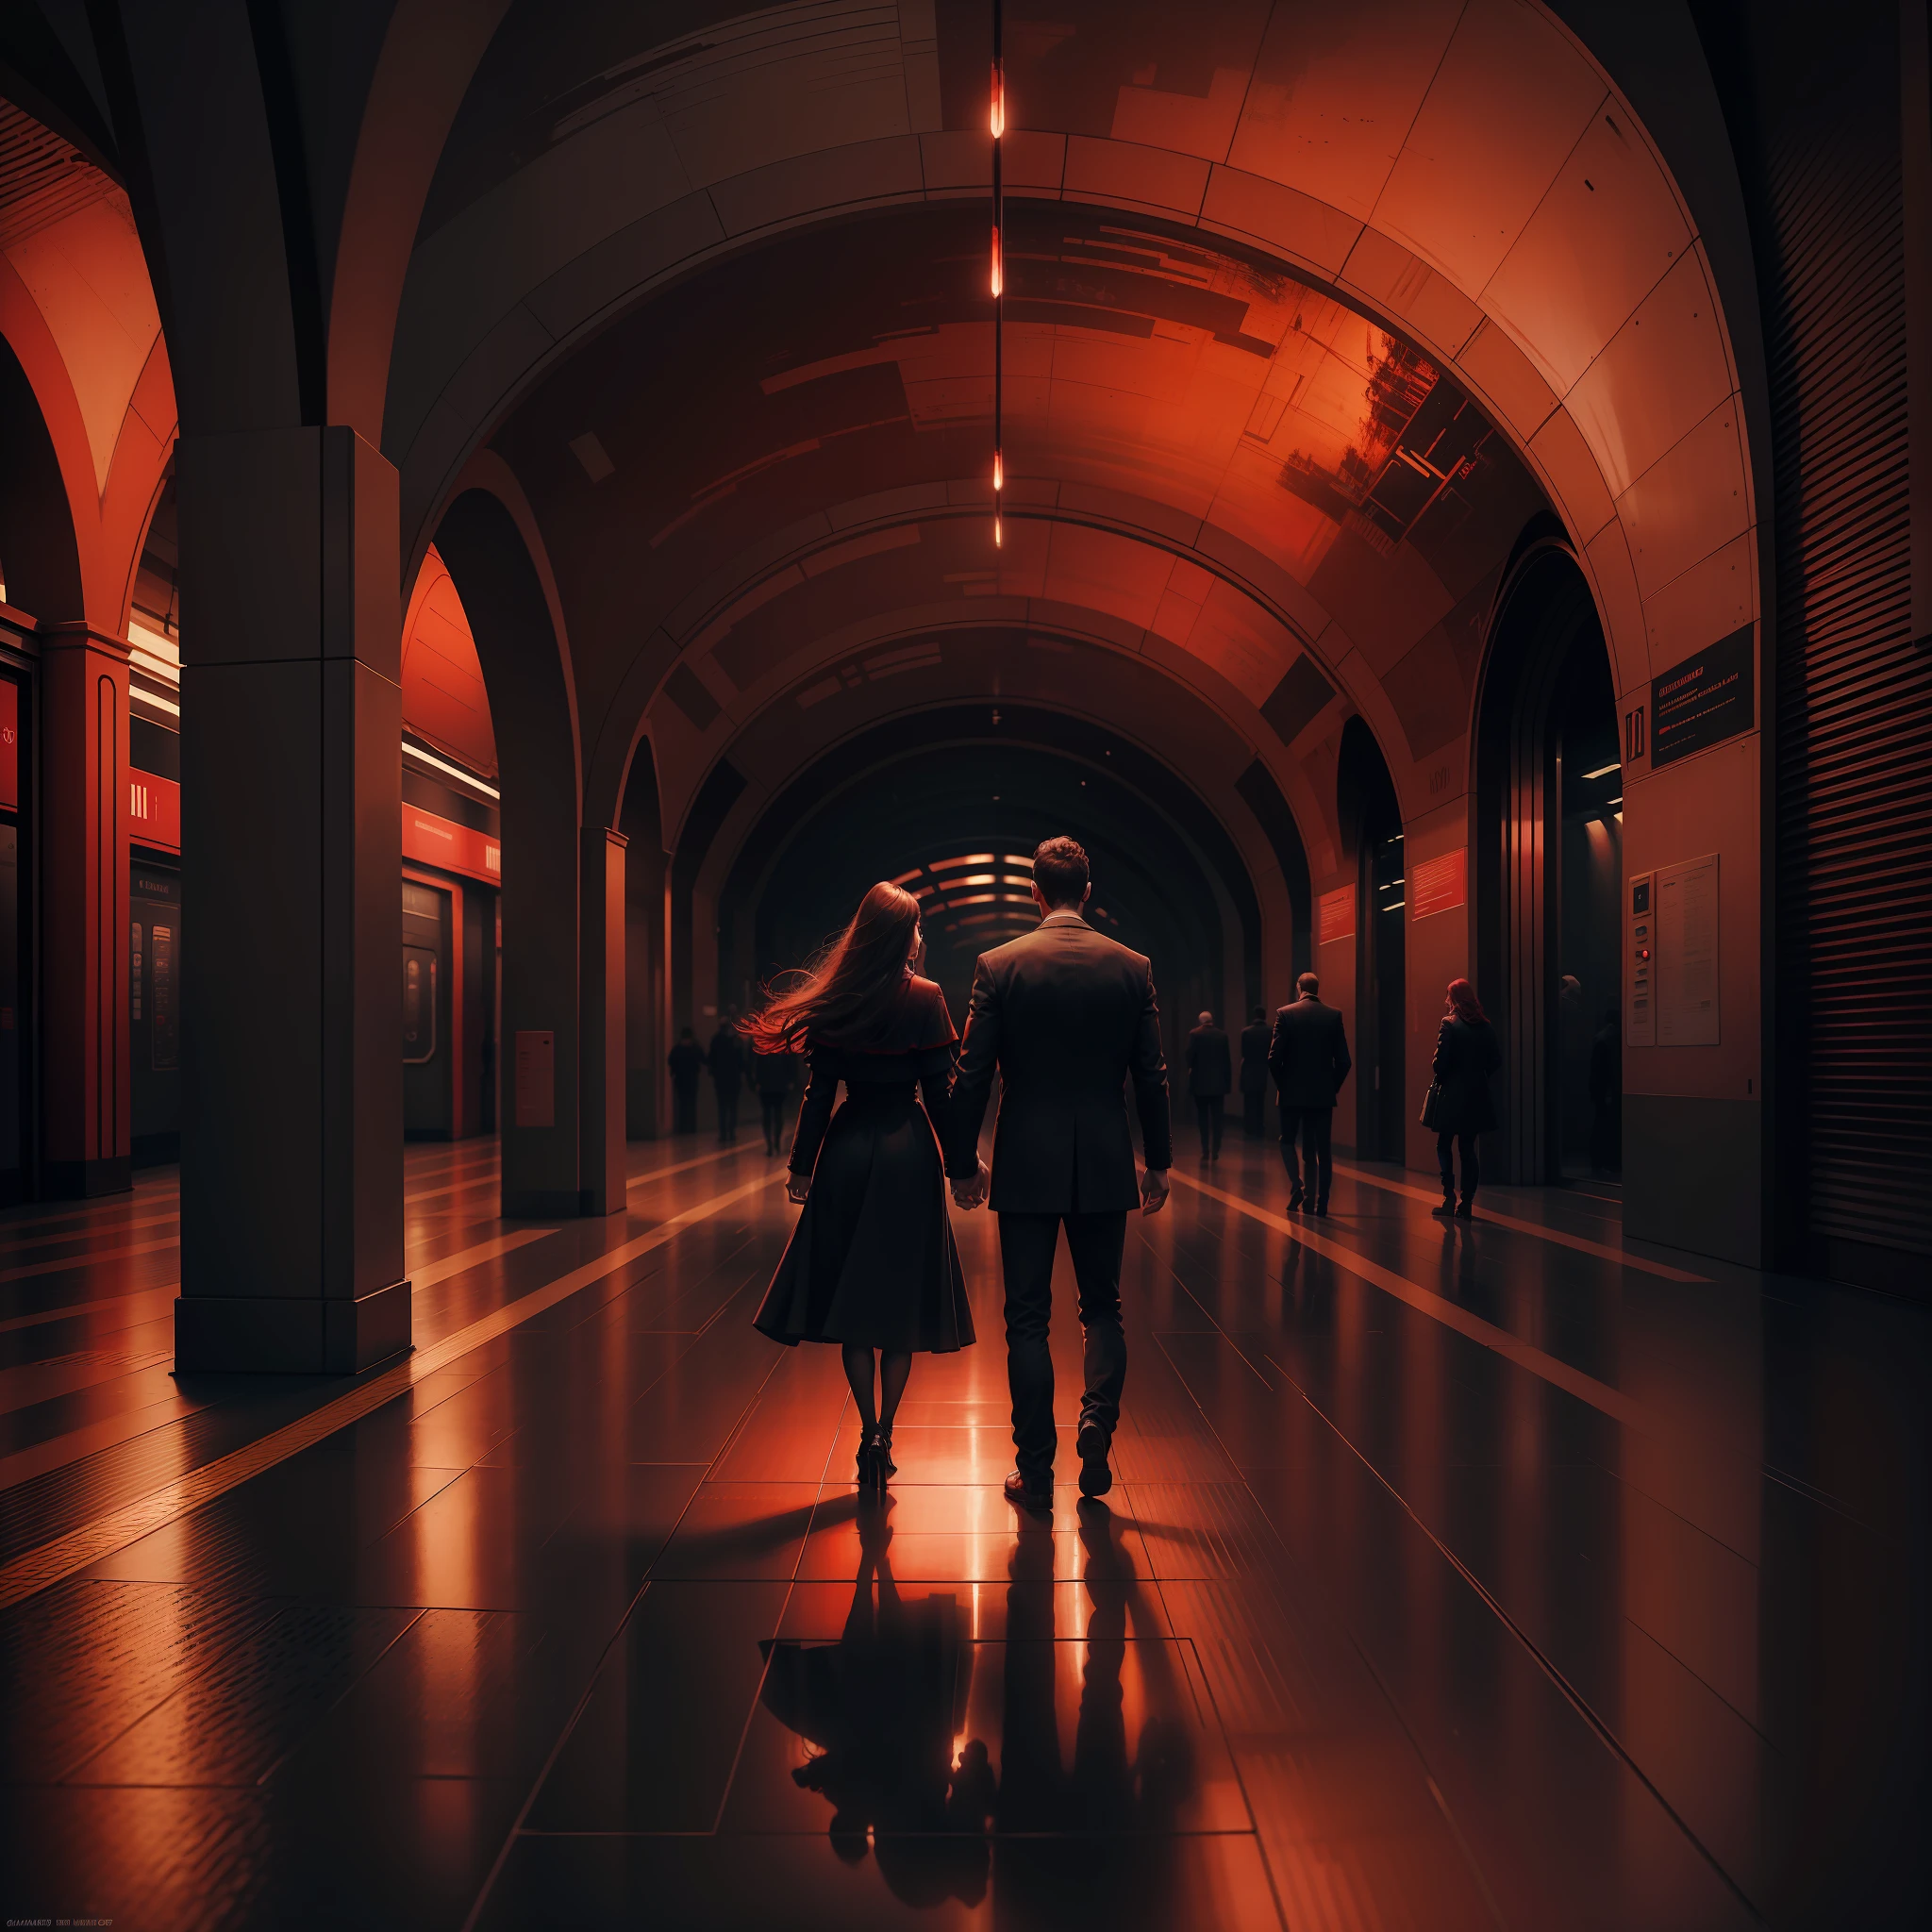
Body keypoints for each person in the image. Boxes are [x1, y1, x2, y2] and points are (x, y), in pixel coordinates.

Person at [945, 835, 1172, 1510]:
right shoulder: (1133, 966)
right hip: (1104, 1156)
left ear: (1035, 894)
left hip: (1027, 1159)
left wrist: (961, 1163)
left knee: (1027, 1319)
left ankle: (1035, 1470)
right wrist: (1156, 1160)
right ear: (1089, 891)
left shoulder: (999, 965)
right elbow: (1151, 1075)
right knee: (1103, 1306)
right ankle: (1097, 1421)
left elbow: (971, 1074)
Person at [749, 882, 976, 1487]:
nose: (922, 936)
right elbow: (941, 1093)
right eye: (918, 927)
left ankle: (866, 1425)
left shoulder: (841, 1001)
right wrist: (963, 1170)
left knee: (855, 1297)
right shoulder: (927, 999)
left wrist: (801, 1166)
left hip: (848, 1149)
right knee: (897, 1301)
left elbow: (819, 1095)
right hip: (908, 1149)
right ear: (904, 937)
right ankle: (887, 1432)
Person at [1267, 971, 1351, 1214]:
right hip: (1322, 1095)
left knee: (1287, 1141)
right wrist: (1330, 1087)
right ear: (1317, 988)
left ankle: (1297, 1186)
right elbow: (1344, 1062)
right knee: (1321, 1150)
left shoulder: (1285, 1014)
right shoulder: (1334, 1015)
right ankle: (1321, 1203)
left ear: (1298, 988)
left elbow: (1274, 1060)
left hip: (1291, 1094)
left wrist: (1284, 1085)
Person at [1431, 976, 1502, 1218]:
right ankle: (1467, 1202)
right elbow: (1495, 1061)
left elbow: (1440, 1065)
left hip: (1452, 1096)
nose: (1446, 1001)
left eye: (1448, 996)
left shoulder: (1449, 1023)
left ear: (1454, 999)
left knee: (1444, 1144)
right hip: (1476, 1096)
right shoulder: (1486, 1026)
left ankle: (1448, 1197)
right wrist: (1478, 1078)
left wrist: (1440, 1066)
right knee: (1467, 1148)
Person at [1185, 1010, 1231, 1161]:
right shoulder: (1222, 1035)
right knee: (1218, 1119)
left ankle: (1205, 1149)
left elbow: (1190, 1057)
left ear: (1200, 1021)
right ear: (1212, 1020)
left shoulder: (1194, 1034)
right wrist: (1227, 1084)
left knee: (1203, 1117)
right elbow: (1227, 1062)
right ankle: (1216, 1149)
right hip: (1218, 1084)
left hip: (1200, 1084)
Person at [750, 1040, 799, 1156]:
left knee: (767, 1115)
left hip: (765, 1086)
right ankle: (776, 1142)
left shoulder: (763, 1048)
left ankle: (770, 1145)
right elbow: (791, 1064)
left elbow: (758, 1066)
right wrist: (791, 1081)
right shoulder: (784, 1047)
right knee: (778, 1114)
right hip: (780, 1085)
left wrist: (757, 1082)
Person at [1588, 1004, 1621, 1174]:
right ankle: (1603, 1163)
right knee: (1605, 1126)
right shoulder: (1610, 1040)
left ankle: (1597, 1163)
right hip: (1606, 1091)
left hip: (1600, 1090)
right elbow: (1610, 1069)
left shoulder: (1600, 1038)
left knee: (1600, 1124)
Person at [708, 1008, 746, 1143]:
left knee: (722, 1107)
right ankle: (731, 1132)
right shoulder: (736, 1042)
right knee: (733, 1106)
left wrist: (713, 1072)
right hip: (734, 1079)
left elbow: (711, 1059)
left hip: (721, 1079)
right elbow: (742, 1061)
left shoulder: (716, 1040)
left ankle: (723, 1133)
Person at [1239, 1005, 1271, 1137]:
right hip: (1265, 1071)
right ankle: (1260, 1127)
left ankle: (1249, 1128)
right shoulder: (1271, 1031)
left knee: (1249, 1102)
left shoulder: (1246, 1032)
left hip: (1249, 1071)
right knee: (1261, 1102)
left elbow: (1244, 1052)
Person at [666, 1025, 704, 1134]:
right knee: (690, 1105)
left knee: (683, 1105)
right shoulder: (695, 1048)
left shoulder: (677, 1049)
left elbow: (670, 1062)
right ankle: (691, 1128)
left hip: (681, 1080)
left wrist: (674, 1073)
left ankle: (684, 1128)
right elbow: (703, 1059)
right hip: (691, 1080)